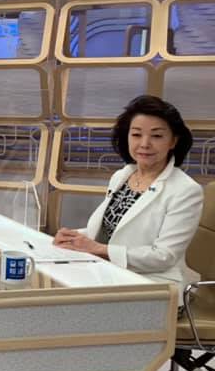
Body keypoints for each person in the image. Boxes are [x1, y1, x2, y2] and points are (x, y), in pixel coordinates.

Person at [54, 95, 203, 291]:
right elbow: (112, 231)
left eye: (157, 136)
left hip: (155, 286)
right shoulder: (122, 175)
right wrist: (74, 237)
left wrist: (97, 249)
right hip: (109, 272)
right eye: (136, 134)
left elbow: (164, 256)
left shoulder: (186, 190)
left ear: (173, 141)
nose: (145, 143)